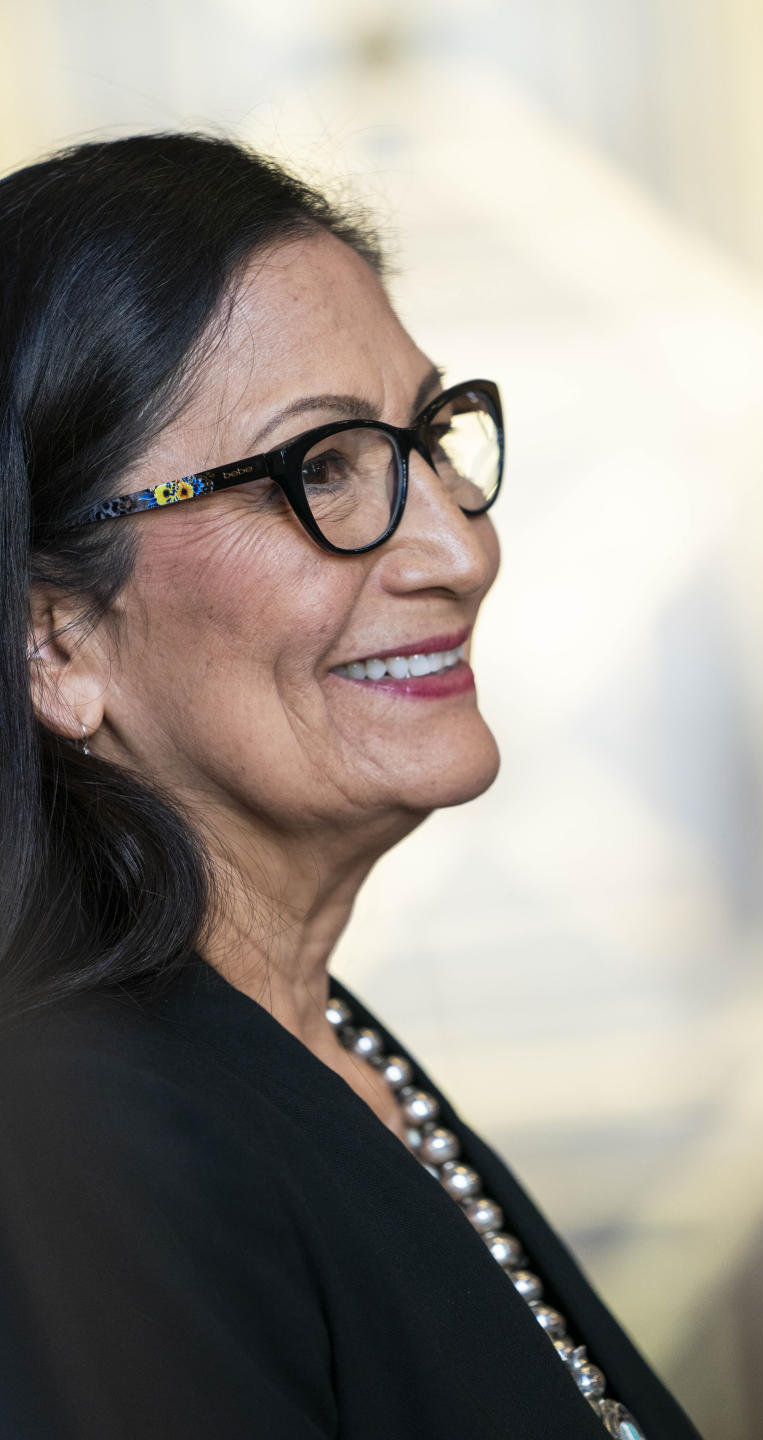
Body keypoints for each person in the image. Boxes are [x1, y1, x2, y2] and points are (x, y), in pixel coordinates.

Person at [0, 133, 702, 1440]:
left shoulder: (308, 1041)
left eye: (432, 439)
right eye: (319, 468)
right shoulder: (98, 1154)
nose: (459, 547)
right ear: (53, 638)